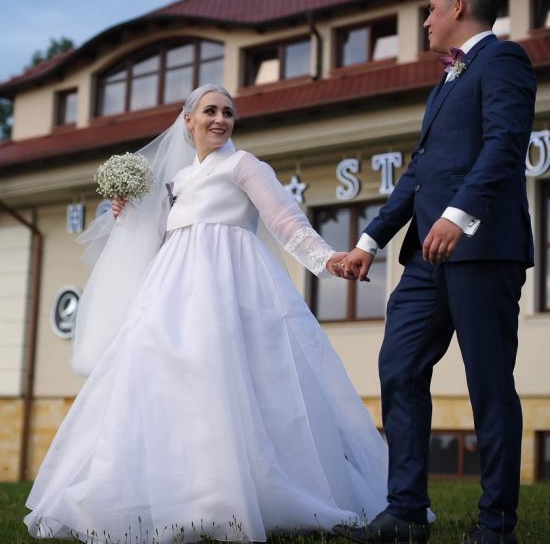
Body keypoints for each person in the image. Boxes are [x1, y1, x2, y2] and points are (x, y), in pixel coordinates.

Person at [24, 84, 390, 543]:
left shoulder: (244, 165)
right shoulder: (174, 183)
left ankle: (243, 492)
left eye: (229, 113)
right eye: (210, 111)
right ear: (188, 122)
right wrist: (127, 214)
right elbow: (155, 237)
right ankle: (171, 491)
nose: (220, 119)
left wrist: (328, 260)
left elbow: (286, 222)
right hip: (171, 292)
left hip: (232, 288)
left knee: (237, 381)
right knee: (165, 379)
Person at [334, 0, 536, 544]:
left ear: (458, 6)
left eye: (429, 11)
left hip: (482, 251)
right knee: (399, 367)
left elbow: (504, 144)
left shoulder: (504, 60)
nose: (424, 22)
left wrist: (458, 216)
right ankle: (405, 511)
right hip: (424, 261)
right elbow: (419, 175)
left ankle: (496, 525)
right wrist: (369, 242)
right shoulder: (444, 84)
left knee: (488, 383)